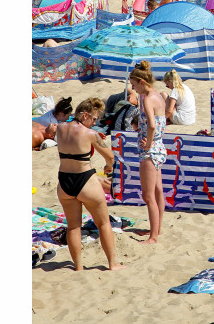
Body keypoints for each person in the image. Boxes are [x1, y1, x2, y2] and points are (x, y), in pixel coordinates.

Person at [55, 98, 124, 271]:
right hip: (85, 180)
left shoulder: (60, 128)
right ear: (85, 115)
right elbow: (110, 156)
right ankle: (113, 264)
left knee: (73, 227)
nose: (94, 123)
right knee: (103, 223)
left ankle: (78, 266)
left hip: (64, 181)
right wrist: (108, 167)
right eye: (93, 119)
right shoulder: (89, 134)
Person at [129, 61, 166, 244]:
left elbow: (152, 125)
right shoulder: (157, 95)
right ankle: (156, 230)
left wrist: (147, 143)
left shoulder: (149, 99)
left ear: (142, 82)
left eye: (134, 85)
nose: (133, 89)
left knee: (148, 195)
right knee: (158, 191)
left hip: (150, 151)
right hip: (159, 147)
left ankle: (153, 237)